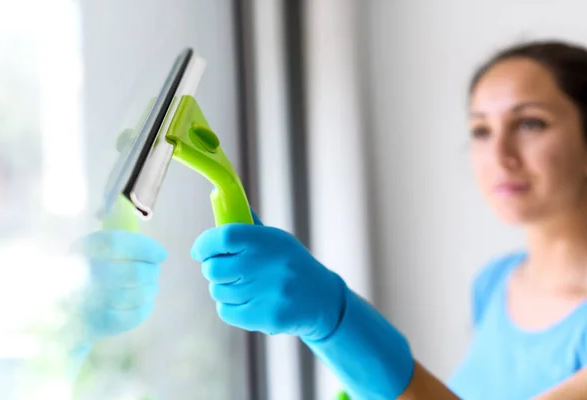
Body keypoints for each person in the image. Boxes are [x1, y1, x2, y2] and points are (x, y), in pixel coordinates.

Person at [188, 39, 587, 400]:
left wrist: (336, 322)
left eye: (530, 123)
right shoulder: (496, 284)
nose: (500, 155)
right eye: (481, 130)